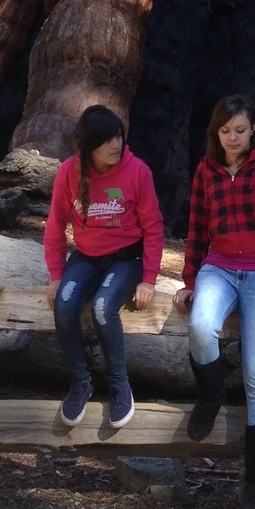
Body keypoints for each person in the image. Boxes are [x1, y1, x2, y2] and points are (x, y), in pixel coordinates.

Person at [172, 96, 255, 509]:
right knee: (200, 328)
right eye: (226, 130)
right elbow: (197, 227)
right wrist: (190, 280)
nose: (233, 138)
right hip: (219, 267)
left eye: (241, 130)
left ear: (253, 130)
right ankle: (211, 394)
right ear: (217, 132)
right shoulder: (206, 170)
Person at [44, 104, 165, 429]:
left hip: (126, 259)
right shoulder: (69, 172)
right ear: (89, 145)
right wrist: (56, 275)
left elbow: (153, 228)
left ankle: (120, 386)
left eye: (119, 137)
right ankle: (80, 382)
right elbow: (55, 226)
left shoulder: (137, 171)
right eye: (108, 140)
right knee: (64, 303)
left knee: (101, 307)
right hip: (86, 257)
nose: (117, 145)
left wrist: (149, 279)